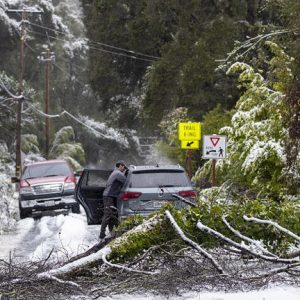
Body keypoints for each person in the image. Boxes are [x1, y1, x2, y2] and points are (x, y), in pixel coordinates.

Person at [99, 160, 127, 240]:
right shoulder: (118, 173)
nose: (124, 169)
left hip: (110, 196)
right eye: (124, 167)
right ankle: (102, 234)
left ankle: (112, 232)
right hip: (109, 196)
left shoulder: (115, 172)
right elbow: (127, 181)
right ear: (121, 166)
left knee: (112, 214)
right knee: (108, 214)